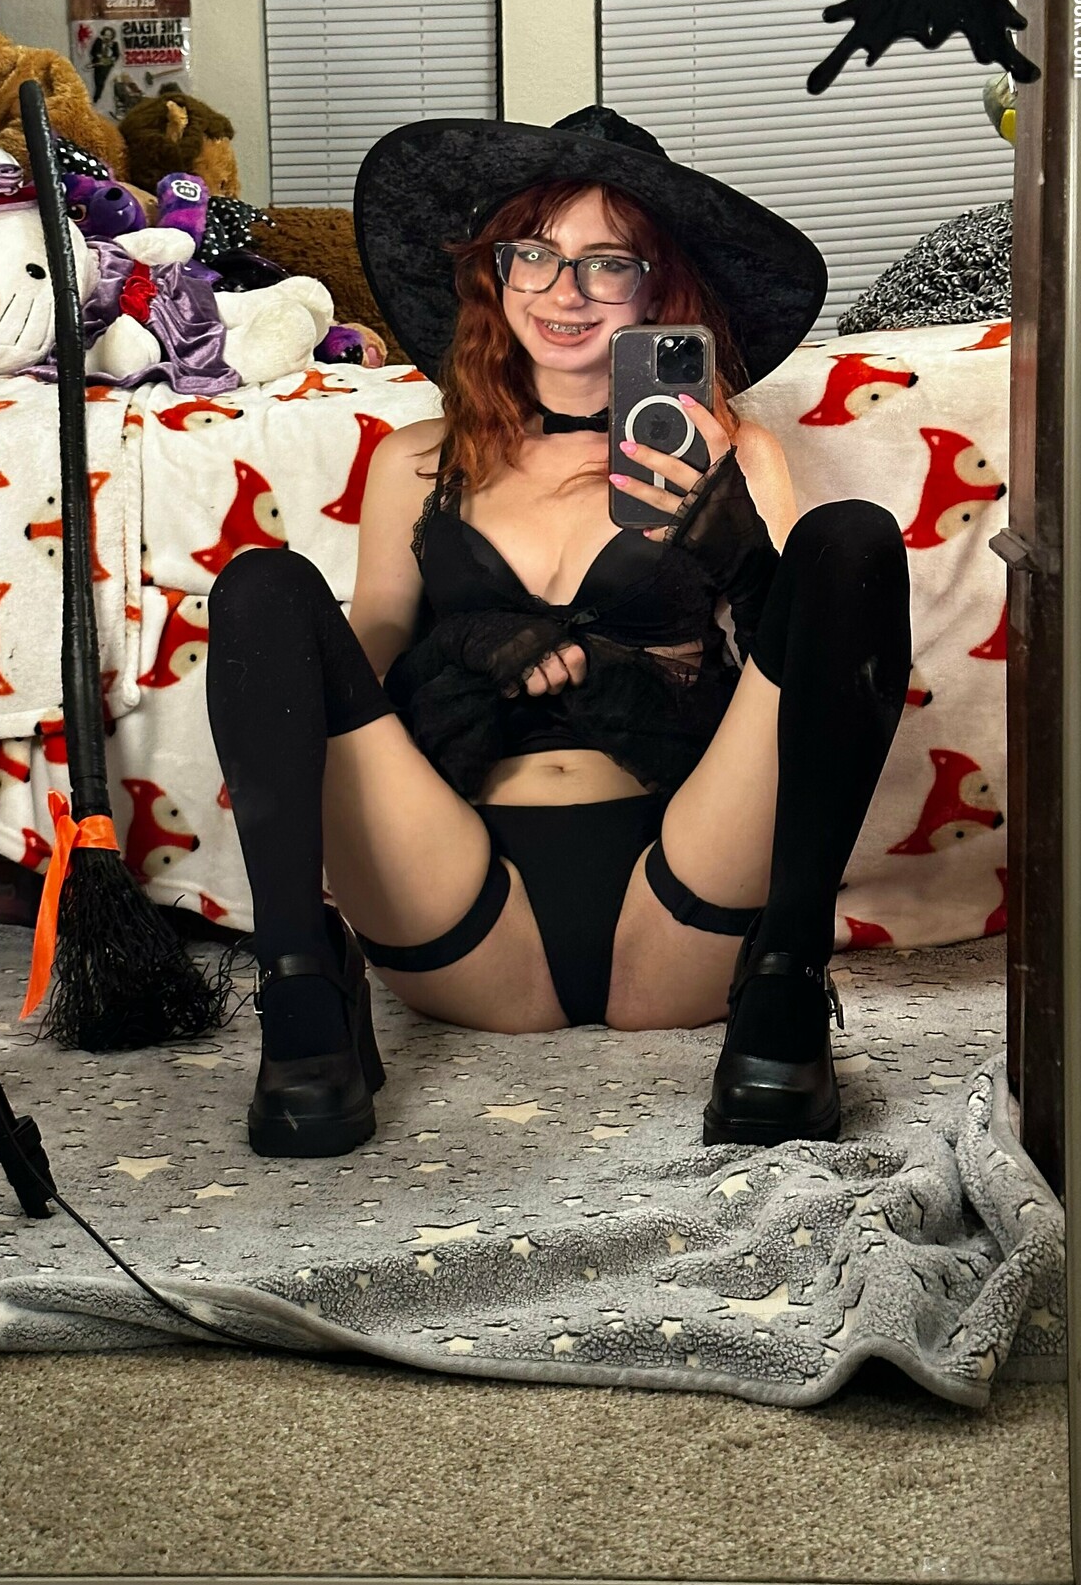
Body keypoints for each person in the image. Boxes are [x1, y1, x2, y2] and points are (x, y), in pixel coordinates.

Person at [206, 108, 911, 1162]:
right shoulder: (415, 461)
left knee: (851, 541)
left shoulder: (734, 452)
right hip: (462, 907)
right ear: (493, 274)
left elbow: (798, 674)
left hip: (683, 904)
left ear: (658, 289)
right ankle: (303, 989)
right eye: (532, 253)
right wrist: (459, 649)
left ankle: (788, 986)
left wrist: (732, 551)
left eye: (606, 262)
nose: (562, 291)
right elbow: (358, 672)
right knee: (262, 586)